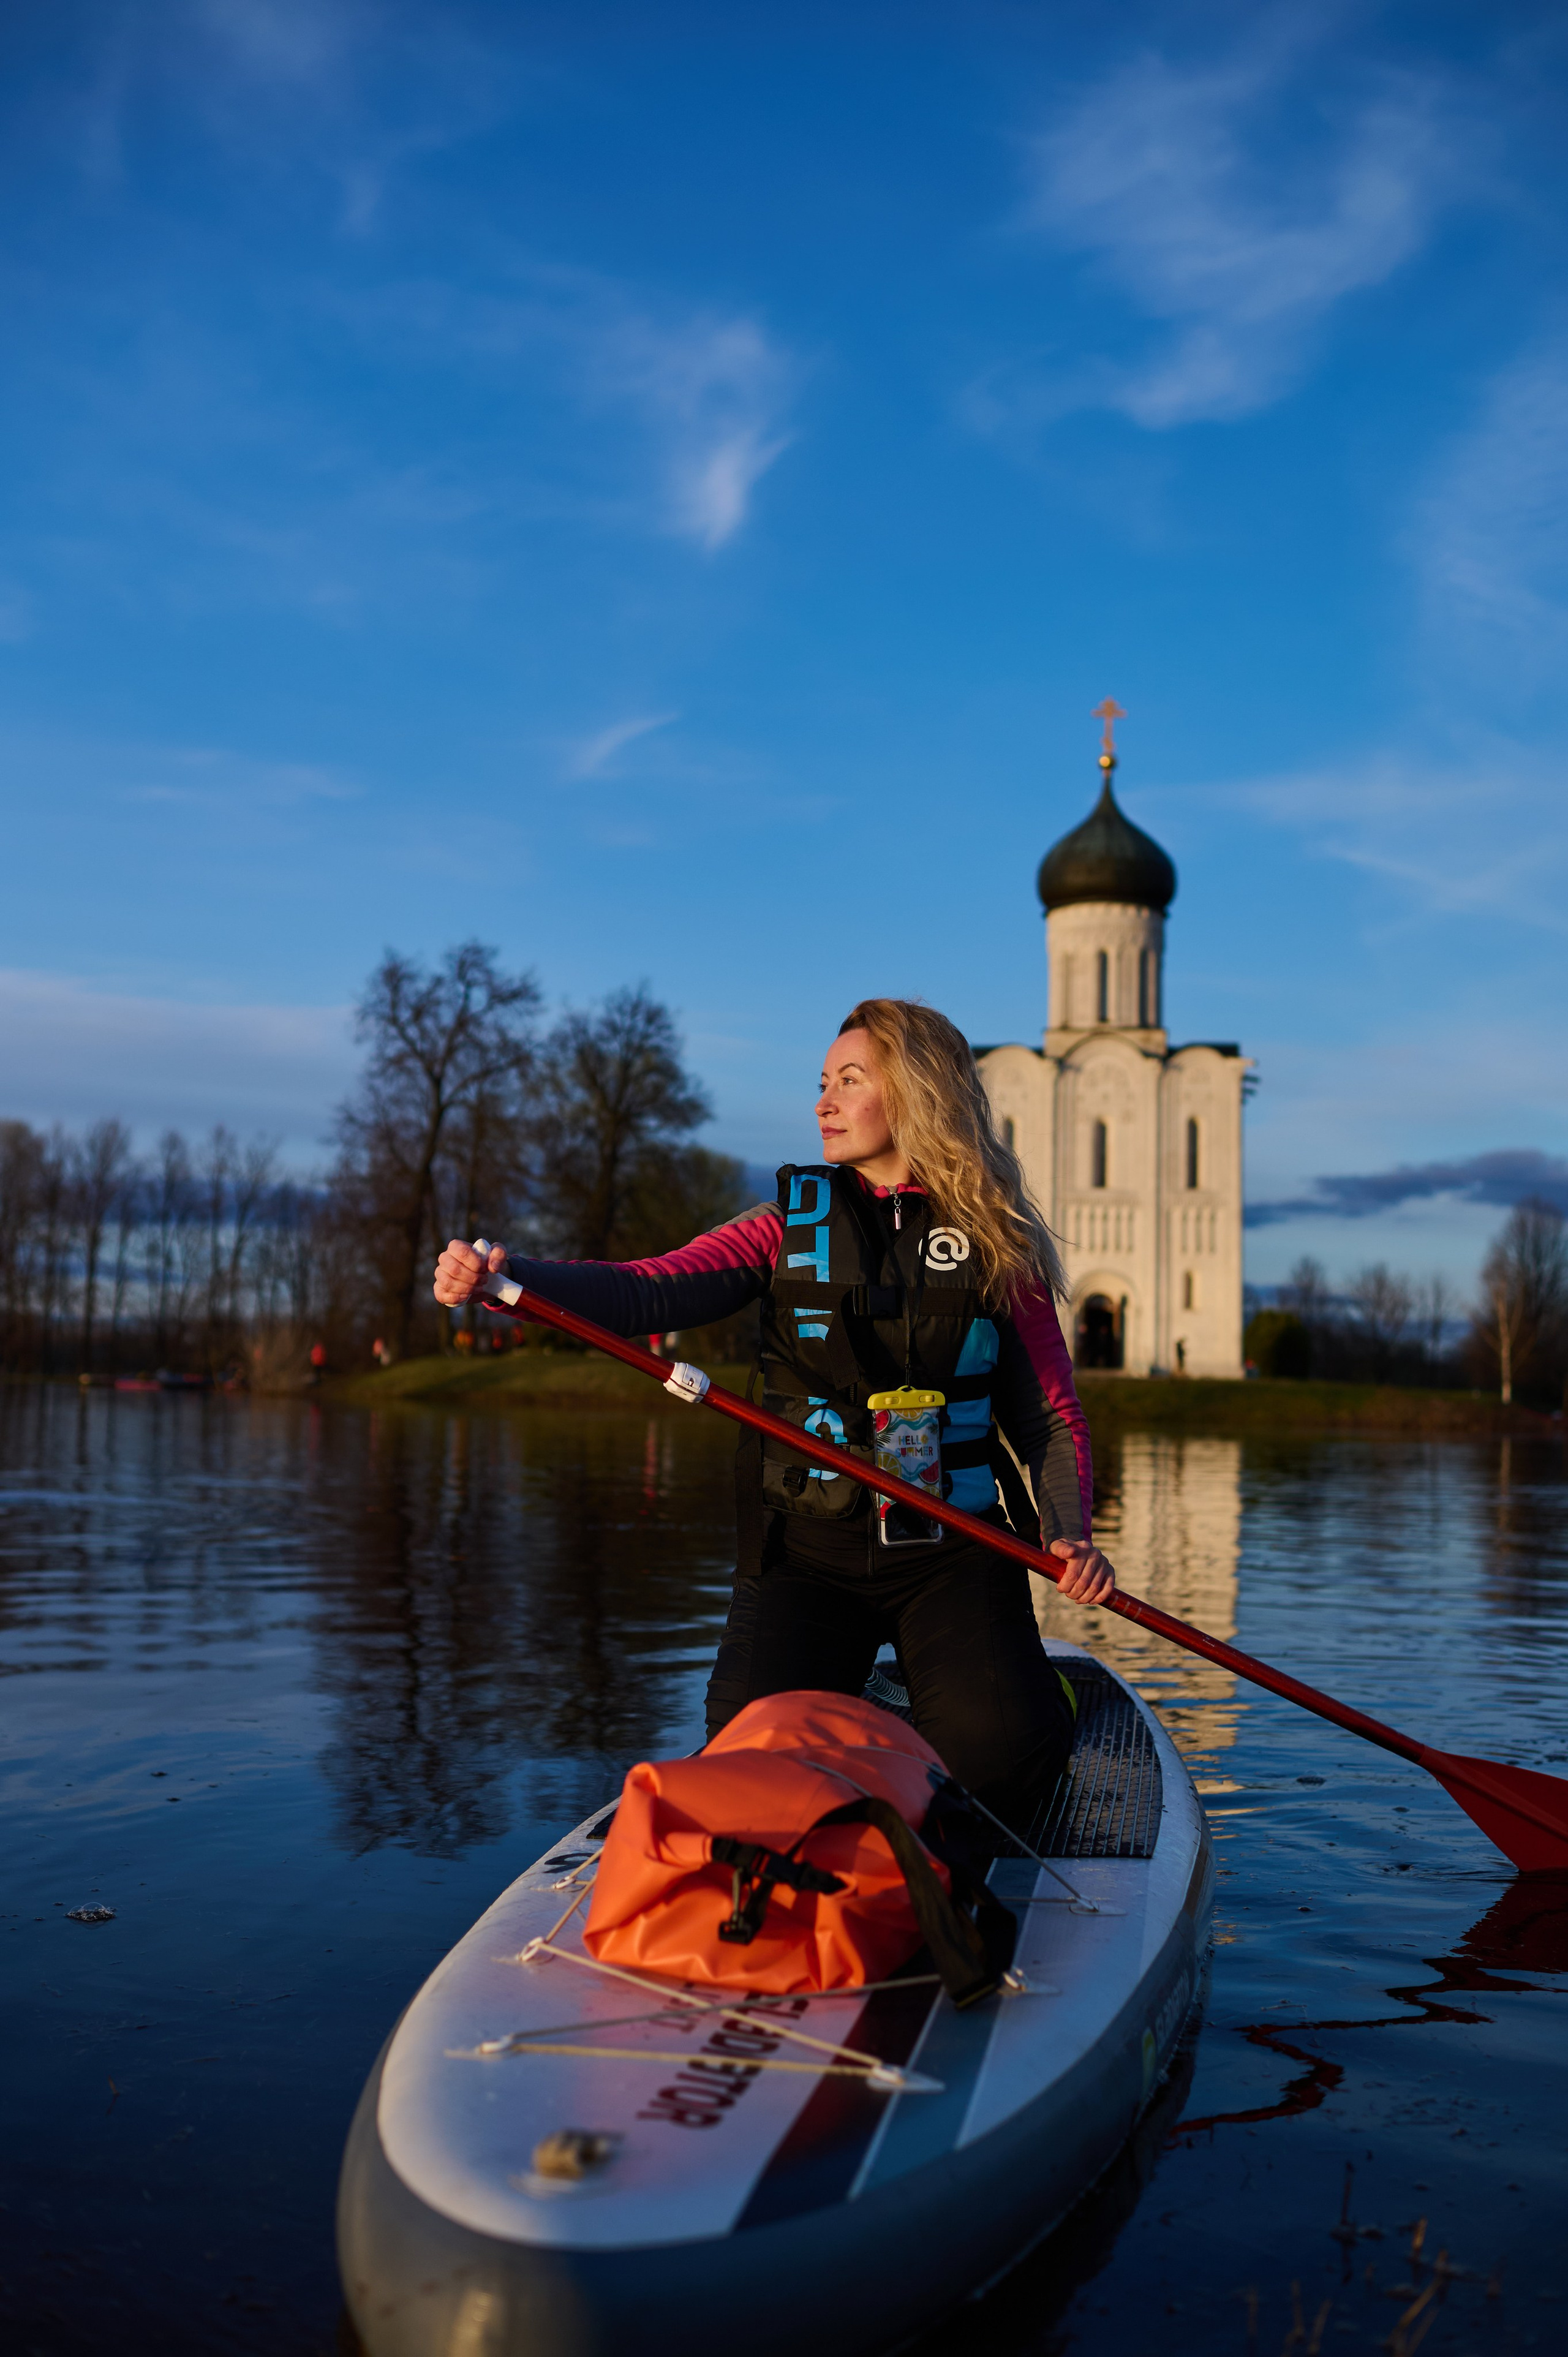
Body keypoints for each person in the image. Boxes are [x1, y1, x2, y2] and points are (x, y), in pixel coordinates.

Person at [434, 998, 1116, 1837]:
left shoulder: (997, 1245)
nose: (824, 1102)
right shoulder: (785, 1227)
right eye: (822, 1084)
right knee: (751, 1762)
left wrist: (1068, 1532)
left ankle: (1029, 1691)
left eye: (850, 1081)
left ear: (915, 1092)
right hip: (808, 1554)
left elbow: (1048, 1415)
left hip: (956, 1553)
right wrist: (518, 1283)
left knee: (1002, 1767)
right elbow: (649, 1286)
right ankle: (866, 1699)